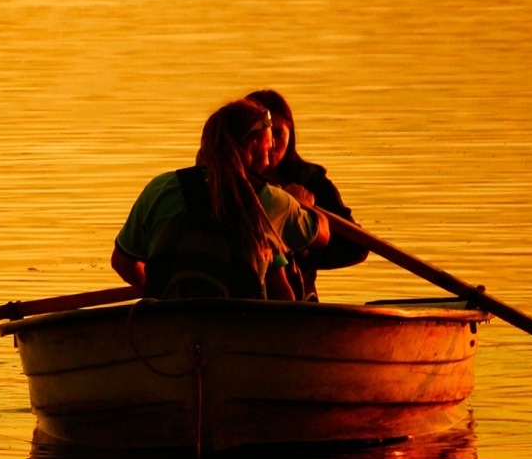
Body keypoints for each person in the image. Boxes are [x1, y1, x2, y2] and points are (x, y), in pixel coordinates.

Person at [110, 98, 331, 301]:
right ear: (254, 145)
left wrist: (162, 295)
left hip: (169, 322)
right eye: (268, 143)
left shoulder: (160, 189)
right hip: (241, 326)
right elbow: (323, 235)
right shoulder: (274, 201)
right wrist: (302, 204)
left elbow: (123, 263)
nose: (272, 148)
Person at [245, 88, 368, 295]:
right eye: (263, 134)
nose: (271, 143)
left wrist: (302, 249)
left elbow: (356, 247)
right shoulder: (227, 180)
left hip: (298, 297)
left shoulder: (311, 182)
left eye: (278, 133)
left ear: (290, 133)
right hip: (241, 293)